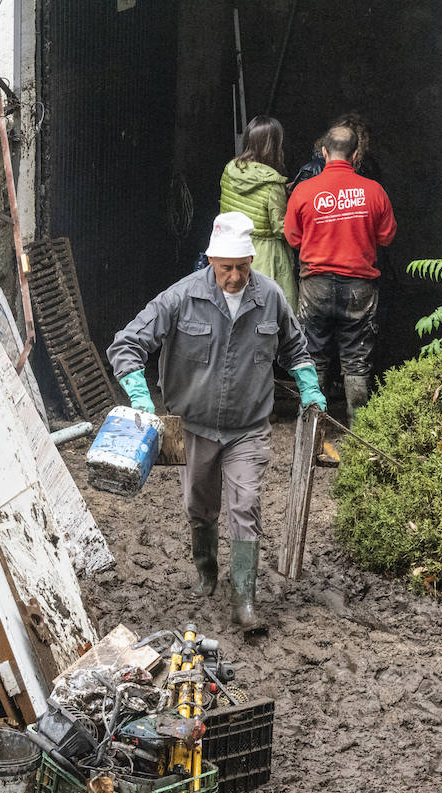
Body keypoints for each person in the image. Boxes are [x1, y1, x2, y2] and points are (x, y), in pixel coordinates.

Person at [107, 212, 325, 633]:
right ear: (210, 260)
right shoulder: (181, 298)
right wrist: (139, 394)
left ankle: (244, 600)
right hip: (194, 426)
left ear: (251, 262)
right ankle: (206, 570)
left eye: (242, 268)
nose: (234, 277)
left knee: (246, 505)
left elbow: (296, 349)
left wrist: (310, 386)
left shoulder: (271, 297)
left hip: (249, 427)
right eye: (226, 268)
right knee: (199, 506)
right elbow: (127, 343)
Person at [284, 124, 396, 434]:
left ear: (323, 152)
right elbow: (386, 237)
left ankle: (311, 432)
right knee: (357, 361)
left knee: (313, 358)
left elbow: (292, 237)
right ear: (357, 153)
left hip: (315, 286)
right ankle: (359, 436)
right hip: (360, 289)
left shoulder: (304, 190)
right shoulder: (374, 191)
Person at [218, 115, 297, 308]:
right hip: (266, 257)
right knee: (271, 314)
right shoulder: (273, 184)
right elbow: (282, 229)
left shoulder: (229, 171)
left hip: (233, 251)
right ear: (275, 145)